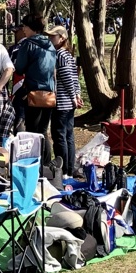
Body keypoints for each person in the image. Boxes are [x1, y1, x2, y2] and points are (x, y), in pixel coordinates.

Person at [12, 15, 57, 162]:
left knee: (32, 131)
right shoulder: (50, 44)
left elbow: (19, 68)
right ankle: (47, 164)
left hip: (32, 91)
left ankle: (33, 164)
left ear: (31, 27)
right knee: (43, 130)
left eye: (24, 26)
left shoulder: (28, 44)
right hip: (49, 93)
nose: (23, 29)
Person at [48, 25, 82, 179]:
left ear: (61, 38)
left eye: (53, 36)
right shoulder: (68, 54)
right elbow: (75, 78)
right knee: (68, 135)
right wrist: (77, 94)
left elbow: (68, 77)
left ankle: (64, 170)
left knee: (60, 135)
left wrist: (74, 95)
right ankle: (69, 168)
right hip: (69, 101)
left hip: (62, 102)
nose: (50, 38)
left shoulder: (60, 54)